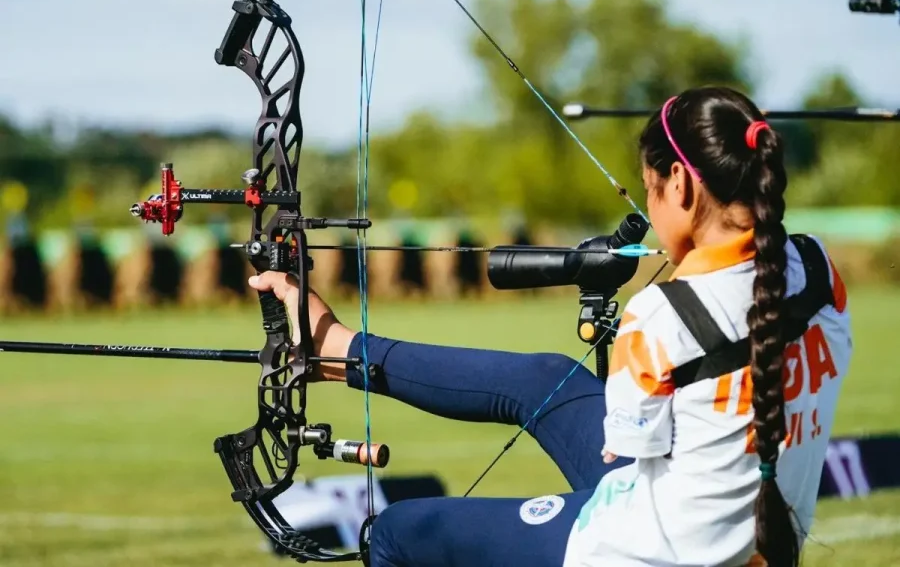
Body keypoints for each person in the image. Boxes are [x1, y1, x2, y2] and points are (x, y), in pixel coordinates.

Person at [249, 87, 852, 567]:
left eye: (650, 193)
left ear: (683, 185)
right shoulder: (821, 270)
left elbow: (621, 447)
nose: (650, 214)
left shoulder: (664, 315)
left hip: (645, 554)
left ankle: (336, 350)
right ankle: (339, 349)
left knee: (394, 534)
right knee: (549, 378)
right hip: (755, 539)